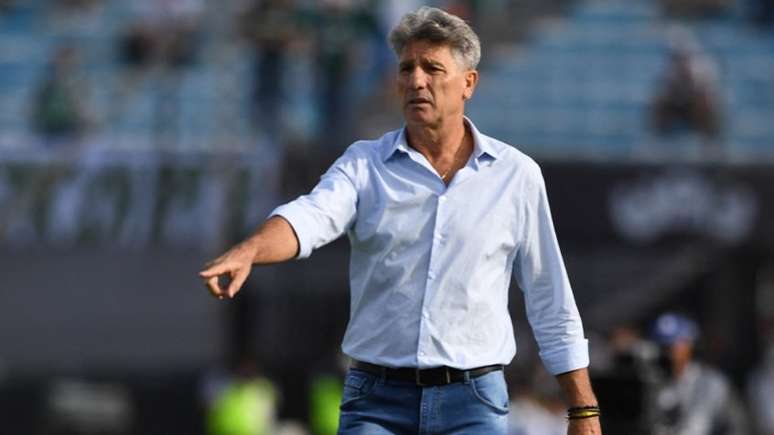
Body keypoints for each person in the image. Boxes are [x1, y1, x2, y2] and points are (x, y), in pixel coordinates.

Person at [200, 7, 601, 435]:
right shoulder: (364, 164)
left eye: (432, 68)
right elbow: (310, 217)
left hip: (474, 400)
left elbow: (549, 298)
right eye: (407, 68)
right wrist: (251, 249)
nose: (416, 80)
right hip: (376, 400)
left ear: (469, 83)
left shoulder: (515, 176)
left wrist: (582, 409)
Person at [649, 313, 748, 435]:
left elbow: (737, 426)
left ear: (689, 345)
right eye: (663, 347)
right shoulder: (648, 383)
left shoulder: (713, 383)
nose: (669, 353)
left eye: (674, 346)